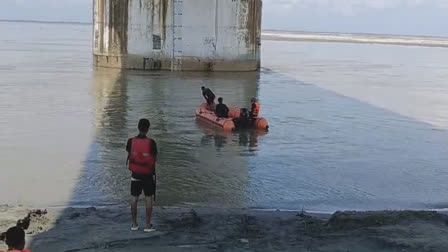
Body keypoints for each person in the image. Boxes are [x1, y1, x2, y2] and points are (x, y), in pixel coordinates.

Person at [126, 119, 158, 232]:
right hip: (148, 175)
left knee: (134, 198)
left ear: (138, 127)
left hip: (135, 174)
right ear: (148, 129)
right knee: (148, 198)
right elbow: (155, 157)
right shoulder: (152, 142)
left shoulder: (130, 141)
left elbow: (129, 152)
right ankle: (148, 225)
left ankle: (134, 224)